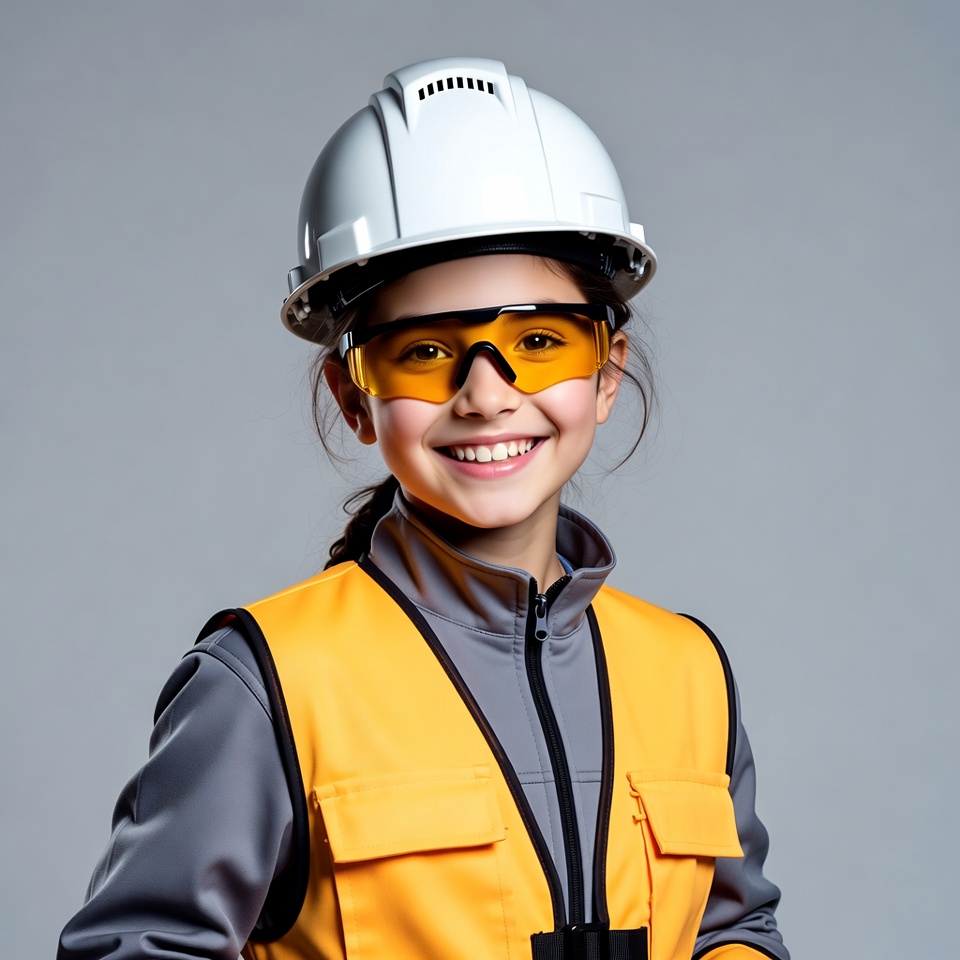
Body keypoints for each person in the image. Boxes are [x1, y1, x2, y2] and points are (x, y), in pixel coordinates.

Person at [58, 57, 789, 960]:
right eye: (426, 350)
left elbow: (734, 925)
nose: (485, 395)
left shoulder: (690, 674)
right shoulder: (271, 683)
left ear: (607, 374)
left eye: (537, 339)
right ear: (353, 395)